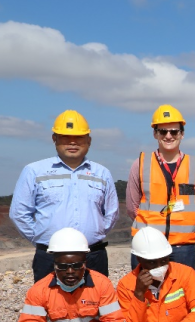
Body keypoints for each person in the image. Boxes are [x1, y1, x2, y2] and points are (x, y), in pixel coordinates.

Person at [10, 110, 119, 282]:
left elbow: (111, 213)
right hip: (49, 257)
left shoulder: (102, 173)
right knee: (49, 306)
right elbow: (19, 213)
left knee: (95, 306)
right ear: (54, 139)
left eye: (79, 137)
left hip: (93, 256)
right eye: (65, 137)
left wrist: (94, 234)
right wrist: (41, 239)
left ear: (89, 141)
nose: (72, 142)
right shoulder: (34, 171)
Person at [127, 104, 195, 269]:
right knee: (145, 293)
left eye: (174, 131)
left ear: (182, 134)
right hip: (147, 244)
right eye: (163, 132)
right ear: (155, 134)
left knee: (181, 293)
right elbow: (132, 207)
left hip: (183, 247)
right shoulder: (141, 164)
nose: (169, 136)